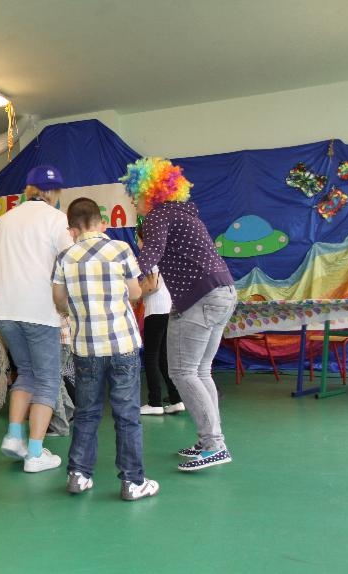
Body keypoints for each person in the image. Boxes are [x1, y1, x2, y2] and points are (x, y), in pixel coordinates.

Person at [121, 157, 237, 472]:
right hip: (223, 292)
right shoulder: (184, 213)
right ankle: (209, 439)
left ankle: (214, 445)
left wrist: (117, 276)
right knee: (200, 371)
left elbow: (150, 254)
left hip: (201, 297)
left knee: (183, 372)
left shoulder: (159, 215)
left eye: (136, 194)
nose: (133, 201)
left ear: (151, 192)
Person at [52, 197, 159, 501]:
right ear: (102, 223)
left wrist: (75, 307)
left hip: (86, 347)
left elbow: (58, 299)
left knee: (87, 413)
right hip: (122, 343)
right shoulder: (121, 249)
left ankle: (78, 475)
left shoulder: (65, 257)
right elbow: (135, 292)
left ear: (72, 229)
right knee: (127, 415)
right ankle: (133, 482)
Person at [0, 165, 73, 473]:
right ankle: (35, 453)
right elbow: (70, 260)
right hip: (40, 310)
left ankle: (14, 436)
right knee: (47, 379)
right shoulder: (57, 219)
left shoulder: (6, 219)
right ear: (54, 192)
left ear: (28, 190)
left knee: (27, 373)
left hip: (5, 311)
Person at [135, 225, 184, 416]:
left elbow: (153, 285)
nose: (137, 242)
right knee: (163, 357)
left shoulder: (150, 256)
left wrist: (134, 294)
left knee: (151, 356)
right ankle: (175, 398)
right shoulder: (165, 253)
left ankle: (154, 402)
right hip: (168, 308)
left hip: (156, 310)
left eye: (138, 238)